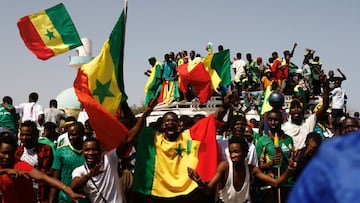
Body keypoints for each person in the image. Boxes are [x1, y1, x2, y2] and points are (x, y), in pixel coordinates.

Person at [131, 94, 232, 203]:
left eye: (173, 120)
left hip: (186, 193)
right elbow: (134, 130)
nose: (170, 123)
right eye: (167, 121)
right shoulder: (153, 138)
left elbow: (213, 119)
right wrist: (145, 114)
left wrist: (225, 105)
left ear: (178, 124)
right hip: (159, 193)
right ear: (163, 125)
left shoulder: (188, 136)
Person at [71, 99, 156, 203]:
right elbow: (74, 186)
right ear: (82, 152)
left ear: (100, 151)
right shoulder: (79, 171)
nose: (91, 153)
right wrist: (90, 175)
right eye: (87, 150)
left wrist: (145, 115)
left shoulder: (109, 159)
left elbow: (128, 139)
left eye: (94, 150)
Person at [188, 135, 296, 203]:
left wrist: (290, 168)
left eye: (236, 152)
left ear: (245, 153)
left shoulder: (252, 169)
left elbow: (276, 183)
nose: (233, 155)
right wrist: (199, 181)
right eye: (231, 152)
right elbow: (208, 190)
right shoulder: (224, 166)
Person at [0, 135, 85, 203]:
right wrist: (6, 171)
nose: (7, 157)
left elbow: (44, 177)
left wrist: (66, 189)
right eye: (4, 153)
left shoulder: (20, 166)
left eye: (11, 153)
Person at [287, 130, 360, 203]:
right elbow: (297, 167)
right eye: (309, 146)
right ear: (306, 142)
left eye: (313, 148)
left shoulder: (320, 157)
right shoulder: (299, 153)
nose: (310, 150)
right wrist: (305, 154)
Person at [282, 70, 329, 150]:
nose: (296, 110)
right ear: (289, 112)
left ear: (303, 110)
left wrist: (325, 86)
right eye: (293, 107)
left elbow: (325, 106)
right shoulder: (284, 128)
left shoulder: (309, 122)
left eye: (298, 107)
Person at [255, 109, 294, 203]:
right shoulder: (262, 141)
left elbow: (291, 159)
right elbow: (257, 167)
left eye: (276, 120)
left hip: (288, 184)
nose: (273, 123)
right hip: (271, 185)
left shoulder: (288, 139)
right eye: (270, 120)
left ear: (281, 121)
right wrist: (270, 164)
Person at [49, 122, 90, 203]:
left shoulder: (89, 153)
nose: (71, 137)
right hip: (64, 200)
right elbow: (55, 179)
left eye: (74, 135)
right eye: (69, 135)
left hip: (86, 199)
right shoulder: (60, 152)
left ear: (82, 134)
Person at [15, 120, 54, 203]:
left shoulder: (45, 149)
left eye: (27, 135)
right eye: (22, 135)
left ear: (35, 135)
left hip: (39, 195)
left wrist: (28, 173)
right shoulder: (18, 151)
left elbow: (48, 173)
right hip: (21, 194)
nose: (24, 138)